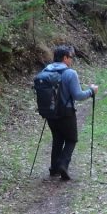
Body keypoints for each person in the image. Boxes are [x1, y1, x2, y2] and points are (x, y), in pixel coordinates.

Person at [41, 44, 97, 180]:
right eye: (71, 57)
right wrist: (91, 91)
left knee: (58, 138)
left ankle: (54, 168)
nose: (71, 60)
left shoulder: (45, 71)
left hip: (49, 113)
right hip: (66, 113)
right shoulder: (70, 73)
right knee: (71, 139)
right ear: (65, 57)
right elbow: (78, 95)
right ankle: (63, 165)